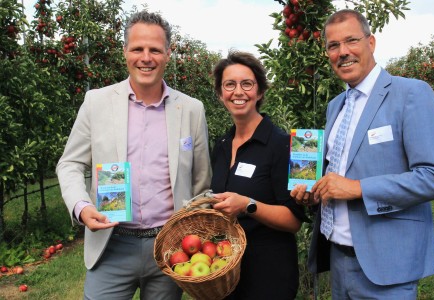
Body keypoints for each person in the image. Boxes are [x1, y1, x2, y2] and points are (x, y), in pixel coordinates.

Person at [290, 9, 434, 299]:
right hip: (338, 260)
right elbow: (338, 175)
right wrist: (317, 193)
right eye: (333, 45)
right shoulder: (336, 106)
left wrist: (357, 188)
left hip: (388, 265)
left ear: (371, 42)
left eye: (351, 40)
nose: (343, 52)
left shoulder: (411, 94)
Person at [56, 11, 211, 299]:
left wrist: (193, 234)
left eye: (155, 49)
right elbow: (71, 163)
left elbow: (201, 181)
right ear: (125, 51)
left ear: (168, 53)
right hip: (111, 243)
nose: (146, 57)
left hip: (169, 246)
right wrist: (81, 206)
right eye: (138, 48)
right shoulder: (97, 103)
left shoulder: (191, 109)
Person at [210, 50, 309, 299]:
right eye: (229, 84)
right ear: (221, 94)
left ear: (260, 92)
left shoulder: (280, 145)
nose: (238, 92)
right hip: (225, 270)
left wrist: (247, 205)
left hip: (268, 273)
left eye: (247, 84)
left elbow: (293, 221)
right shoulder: (221, 145)